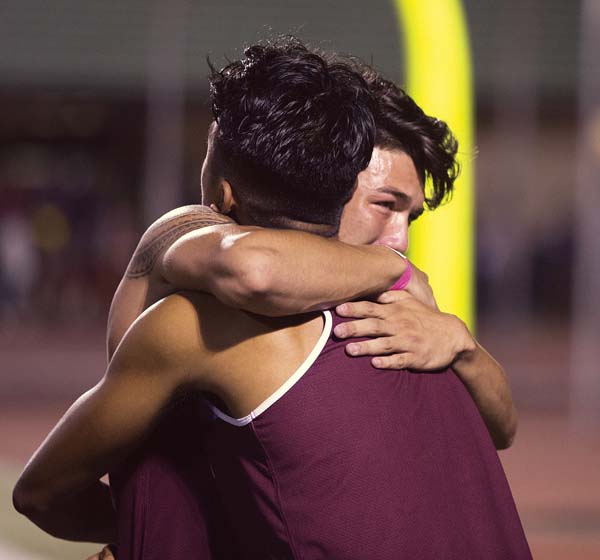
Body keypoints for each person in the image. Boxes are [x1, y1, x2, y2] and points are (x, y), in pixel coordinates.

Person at [13, 39, 528, 558]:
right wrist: (398, 273)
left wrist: (462, 345)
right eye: (385, 205)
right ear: (336, 177)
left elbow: (503, 428)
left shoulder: (409, 321)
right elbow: (253, 268)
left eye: (410, 217)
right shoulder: (207, 260)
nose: (400, 241)